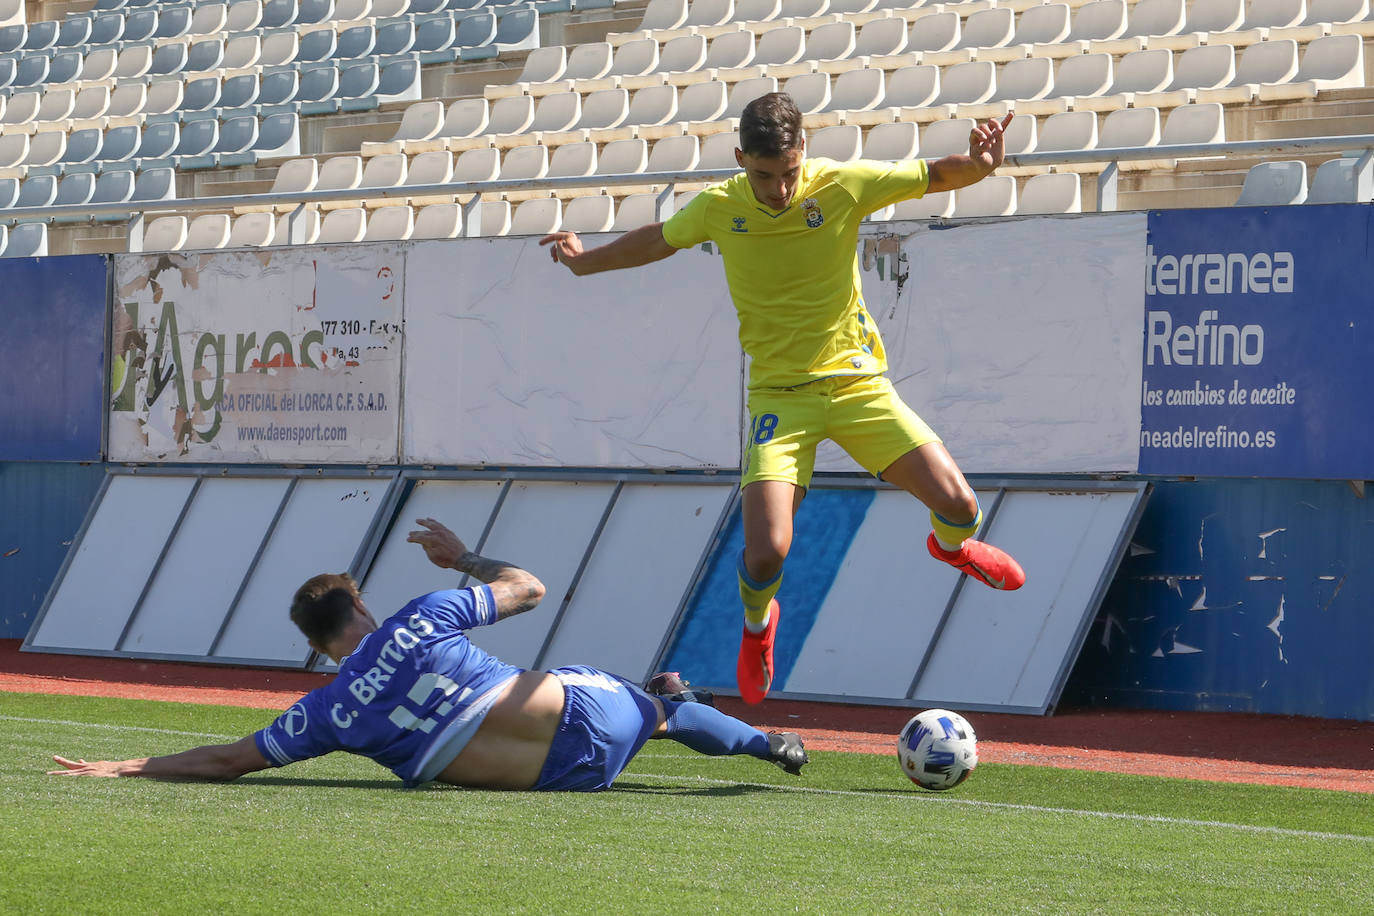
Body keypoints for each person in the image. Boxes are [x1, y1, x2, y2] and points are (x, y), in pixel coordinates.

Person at [540, 93, 1026, 705]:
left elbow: (935, 174)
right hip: (780, 398)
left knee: (959, 505)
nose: (776, 188)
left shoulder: (843, 185)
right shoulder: (720, 207)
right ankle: (757, 624)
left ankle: (952, 548)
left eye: (789, 172)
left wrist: (981, 166)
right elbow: (658, 240)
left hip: (858, 388)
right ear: (741, 159)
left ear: (805, 152)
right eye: (762, 175)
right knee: (767, 552)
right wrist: (584, 265)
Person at [48, 518, 807, 789]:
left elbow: (227, 761)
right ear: (364, 608)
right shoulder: (420, 618)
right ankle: (762, 740)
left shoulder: (328, 712)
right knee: (658, 714)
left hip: (558, 781)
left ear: (317, 647)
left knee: (640, 713)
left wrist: (127, 765)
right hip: (584, 712)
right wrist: (466, 559)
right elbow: (531, 588)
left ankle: (673, 705)